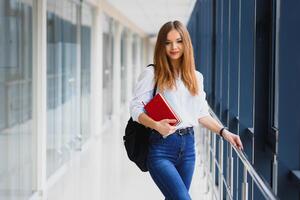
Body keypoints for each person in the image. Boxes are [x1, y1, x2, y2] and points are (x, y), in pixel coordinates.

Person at [130, 20, 243, 200]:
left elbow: (201, 114)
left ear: (186, 43)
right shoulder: (153, 73)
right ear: (161, 46)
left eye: (179, 41)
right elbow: (135, 109)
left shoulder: (196, 77)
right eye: (168, 42)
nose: (174, 47)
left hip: (188, 148)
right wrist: (156, 125)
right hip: (161, 147)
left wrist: (224, 132)